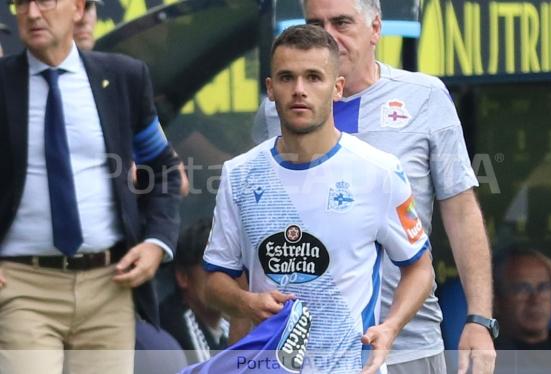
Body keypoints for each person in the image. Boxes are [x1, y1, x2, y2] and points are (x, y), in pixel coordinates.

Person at [252, 1, 497, 373]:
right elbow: (255, 223)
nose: (327, 35)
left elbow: (461, 211)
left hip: (406, 344)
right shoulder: (275, 110)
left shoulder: (425, 98)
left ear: (376, 29)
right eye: (316, 23)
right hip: (306, 350)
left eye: (342, 22)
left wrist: (479, 319)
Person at [203, 24, 434, 374]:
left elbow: (419, 266)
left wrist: (391, 327)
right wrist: (247, 302)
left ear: (337, 88)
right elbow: (214, 281)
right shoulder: (239, 174)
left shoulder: (379, 171)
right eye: (286, 78)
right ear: (270, 89)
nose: (299, 90)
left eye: (313, 77)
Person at [0, 0, 181, 372]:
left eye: (45, 2)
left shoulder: (122, 78)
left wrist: (156, 243)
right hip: (21, 286)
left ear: (79, 8)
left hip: (109, 284)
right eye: (21, 3)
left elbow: (162, 167)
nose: (32, 14)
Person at [72, 0, 191, 197]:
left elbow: (177, 181)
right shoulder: (22, 89)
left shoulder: (120, 81)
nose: (83, 18)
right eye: (74, 8)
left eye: (89, 7)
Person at [160, 218, 229, 364]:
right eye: (212, 266)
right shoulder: (176, 323)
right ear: (183, 277)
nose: (223, 277)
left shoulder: (225, 327)